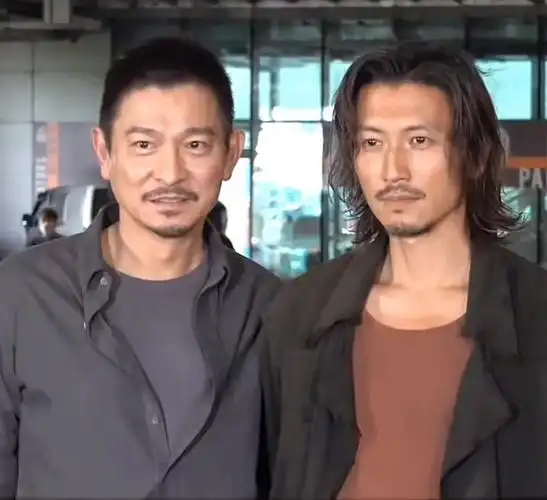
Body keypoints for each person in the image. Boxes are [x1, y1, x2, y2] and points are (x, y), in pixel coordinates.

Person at [261, 43, 547, 499]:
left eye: (419, 141)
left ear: (475, 155)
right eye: (372, 143)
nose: (393, 170)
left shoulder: (534, 313)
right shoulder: (300, 312)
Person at [0, 37, 280, 499]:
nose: (170, 173)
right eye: (144, 144)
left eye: (195, 144)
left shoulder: (271, 309)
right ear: (104, 152)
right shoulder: (21, 295)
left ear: (232, 153)